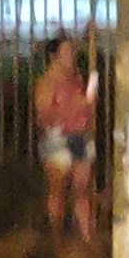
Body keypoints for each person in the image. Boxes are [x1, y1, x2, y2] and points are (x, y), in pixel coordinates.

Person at [35, 35, 102, 247]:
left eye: (71, 52)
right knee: (59, 189)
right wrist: (69, 108)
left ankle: (86, 238)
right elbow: (43, 116)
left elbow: (89, 107)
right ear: (54, 56)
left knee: (83, 190)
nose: (71, 56)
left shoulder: (78, 80)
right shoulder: (46, 83)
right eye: (66, 52)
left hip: (80, 136)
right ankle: (56, 238)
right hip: (58, 137)